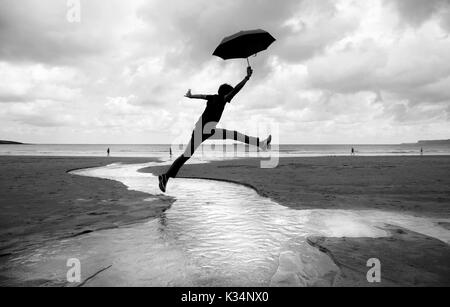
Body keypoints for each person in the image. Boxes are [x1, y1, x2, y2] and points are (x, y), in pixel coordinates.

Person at [158, 67, 271, 192]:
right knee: (232, 136)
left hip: (204, 131)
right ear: (225, 94)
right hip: (204, 131)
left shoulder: (212, 97)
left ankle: (165, 177)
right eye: (229, 94)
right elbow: (236, 91)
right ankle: (166, 176)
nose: (230, 98)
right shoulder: (222, 99)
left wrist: (191, 96)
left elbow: (202, 96)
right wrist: (247, 78)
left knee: (187, 155)